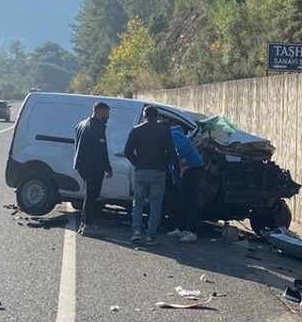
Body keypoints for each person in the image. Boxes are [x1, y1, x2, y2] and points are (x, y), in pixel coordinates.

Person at [123, 105, 177, 243]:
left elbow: (127, 152)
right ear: (157, 116)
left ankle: (136, 231)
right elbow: (171, 153)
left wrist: (137, 163)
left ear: (144, 115)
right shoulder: (164, 131)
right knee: (156, 204)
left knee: (138, 202)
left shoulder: (136, 130)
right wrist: (165, 165)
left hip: (141, 170)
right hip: (158, 171)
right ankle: (151, 234)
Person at [73, 102, 112, 235]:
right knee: (92, 196)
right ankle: (87, 225)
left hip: (83, 165)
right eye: (107, 113)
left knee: (89, 195)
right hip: (93, 166)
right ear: (100, 111)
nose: (108, 116)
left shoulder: (81, 124)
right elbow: (101, 150)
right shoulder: (96, 127)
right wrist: (108, 168)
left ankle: (85, 224)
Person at [165, 124, 204, 243]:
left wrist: (182, 167)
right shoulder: (177, 133)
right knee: (182, 200)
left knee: (190, 201)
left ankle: (192, 231)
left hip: (192, 169)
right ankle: (181, 228)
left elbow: (181, 150)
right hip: (190, 169)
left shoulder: (174, 134)